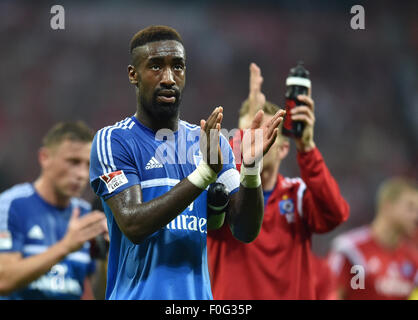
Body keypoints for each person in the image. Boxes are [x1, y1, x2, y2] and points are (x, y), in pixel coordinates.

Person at [89, 25, 285, 300]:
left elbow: (244, 231)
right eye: (156, 67)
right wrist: (204, 174)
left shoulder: (208, 142)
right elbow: (133, 224)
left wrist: (251, 170)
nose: (169, 78)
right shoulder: (114, 140)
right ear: (133, 74)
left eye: (178, 67)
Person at [207, 62, 350, 299]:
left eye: (262, 132)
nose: (252, 140)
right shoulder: (218, 193)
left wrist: (307, 148)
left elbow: (335, 215)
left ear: (284, 148)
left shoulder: (298, 194)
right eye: (243, 133)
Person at [0, 121, 108, 300]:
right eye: (73, 162)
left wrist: (112, 254)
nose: (81, 174)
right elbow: (3, 280)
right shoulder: (12, 205)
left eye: (87, 164)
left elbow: (84, 290)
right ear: (45, 157)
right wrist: (66, 246)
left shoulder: (86, 215)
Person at [328, 177, 418, 300]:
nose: (416, 216)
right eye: (410, 208)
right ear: (388, 206)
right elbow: (330, 294)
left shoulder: (413, 260)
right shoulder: (352, 250)